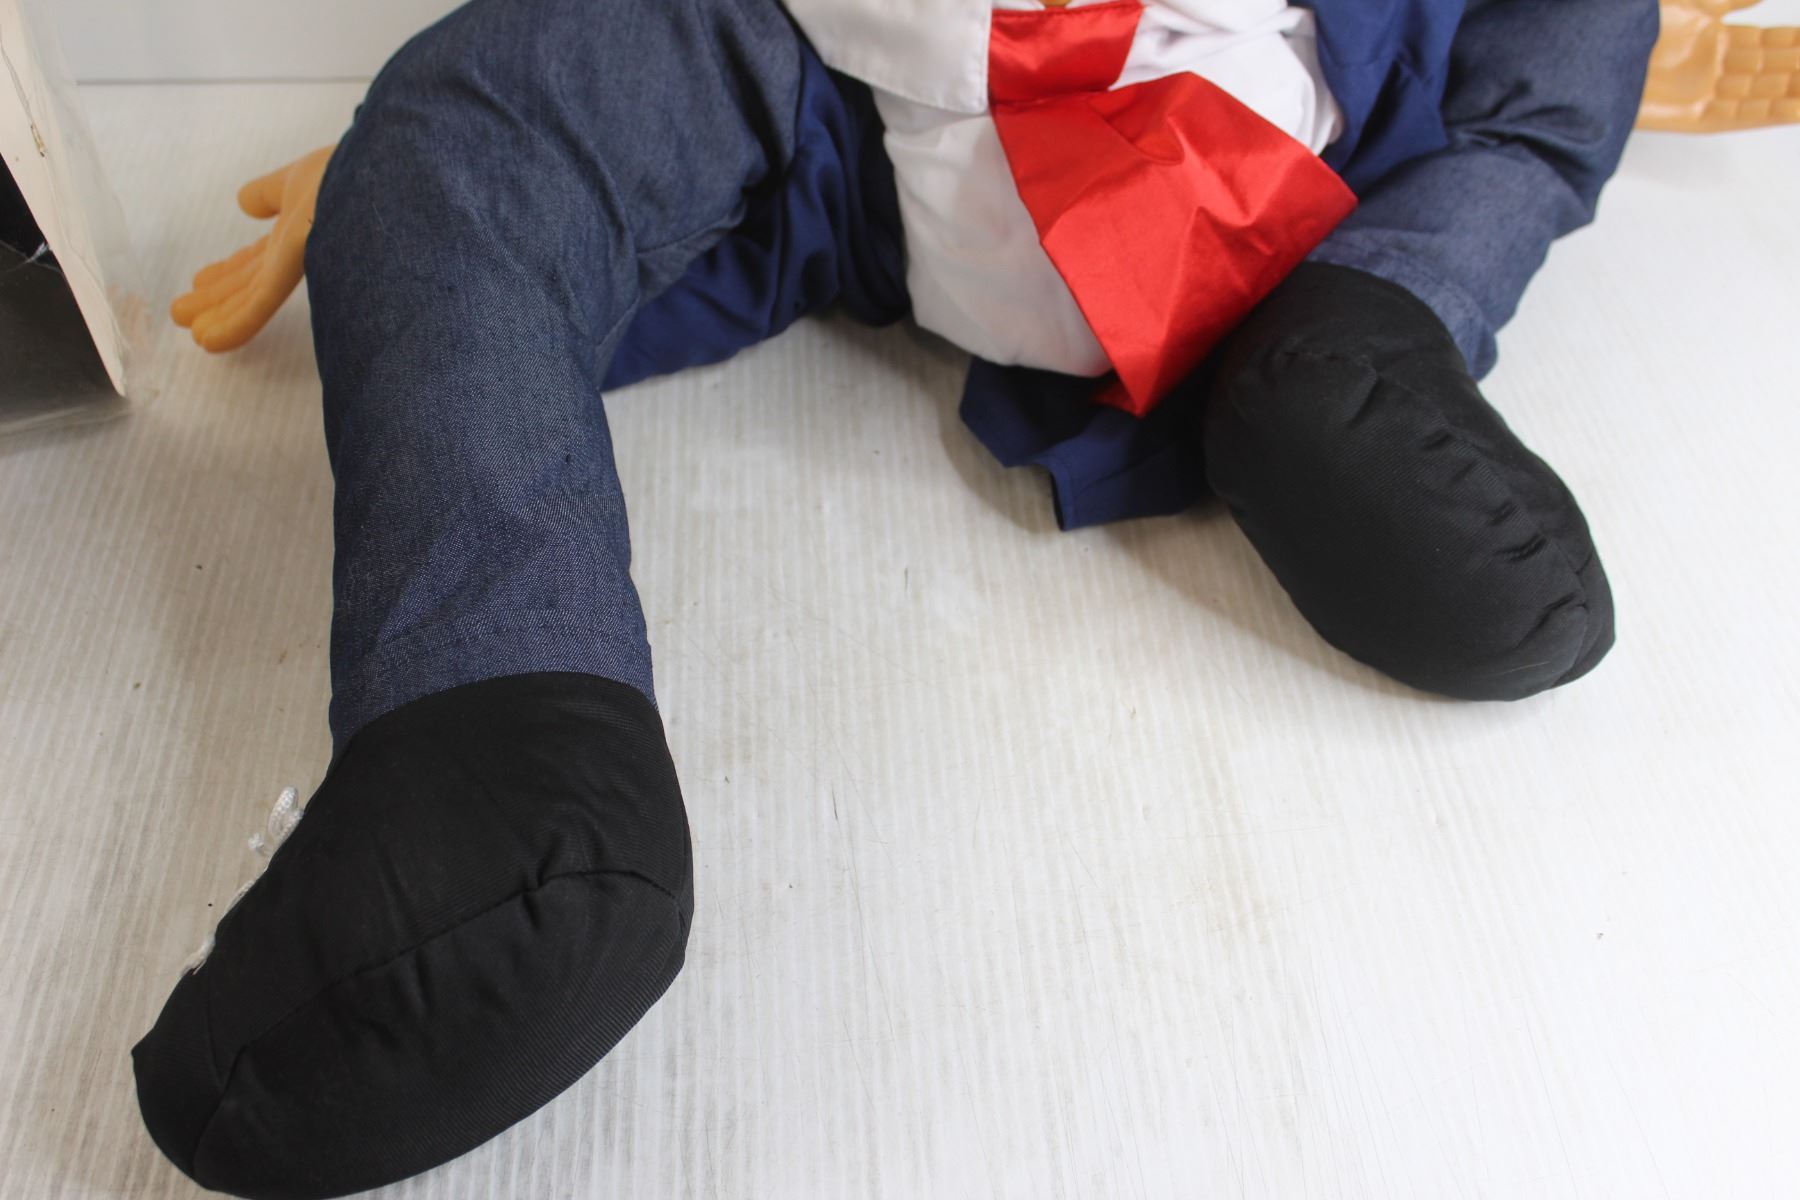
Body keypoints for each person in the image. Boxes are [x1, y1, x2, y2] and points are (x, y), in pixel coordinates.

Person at [132, 1, 1658, 1196]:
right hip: (845, 109)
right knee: (468, 141)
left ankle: (1365, 341)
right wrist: (406, 208)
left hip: (1277, 142)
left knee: (1554, 66)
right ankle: (500, 746)